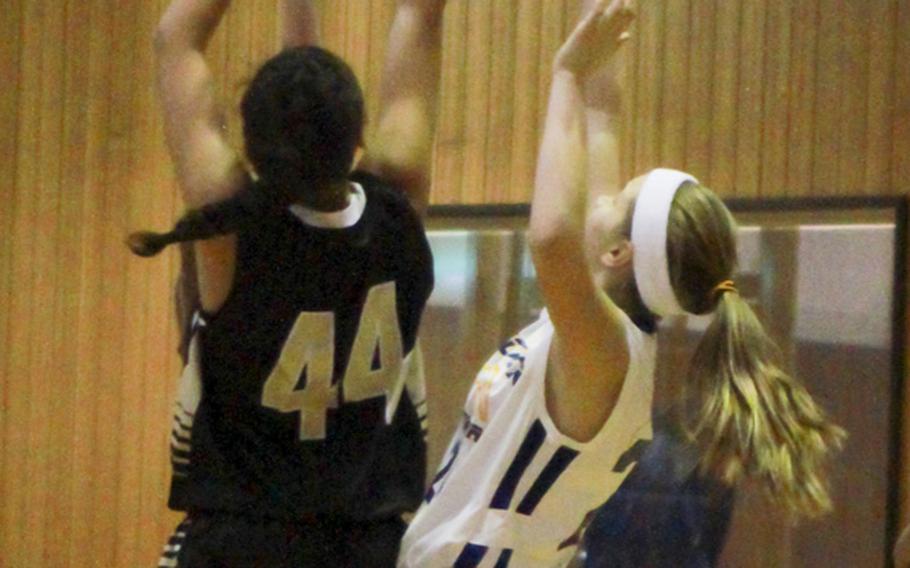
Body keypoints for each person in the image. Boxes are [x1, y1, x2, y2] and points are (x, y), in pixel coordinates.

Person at [397, 1, 844, 566]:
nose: (598, 196)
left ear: (619, 253)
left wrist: (565, 72)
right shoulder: (605, 324)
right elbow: (601, 115)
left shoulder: (605, 352)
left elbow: (551, 235)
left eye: (615, 200)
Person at [134, 0, 447, 565]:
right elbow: (421, 15)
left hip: (237, 544)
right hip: (364, 547)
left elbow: (174, 37)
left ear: (251, 147)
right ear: (357, 141)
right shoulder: (398, 203)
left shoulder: (230, 226)